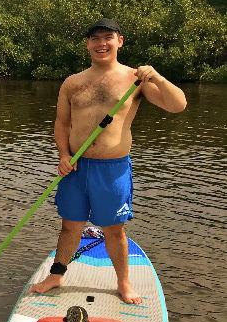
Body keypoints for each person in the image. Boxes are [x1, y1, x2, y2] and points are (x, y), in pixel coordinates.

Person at [30, 18, 187, 304]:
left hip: (112, 170)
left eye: (107, 38)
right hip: (75, 168)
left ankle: (124, 283)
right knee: (70, 226)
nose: (101, 43)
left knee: (114, 230)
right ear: (88, 45)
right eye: (95, 39)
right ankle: (57, 274)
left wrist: (157, 77)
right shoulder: (72, 82)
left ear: (119, 41)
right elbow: (62, 124)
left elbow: (178, 105)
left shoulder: (135, 79)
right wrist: (63, 155)